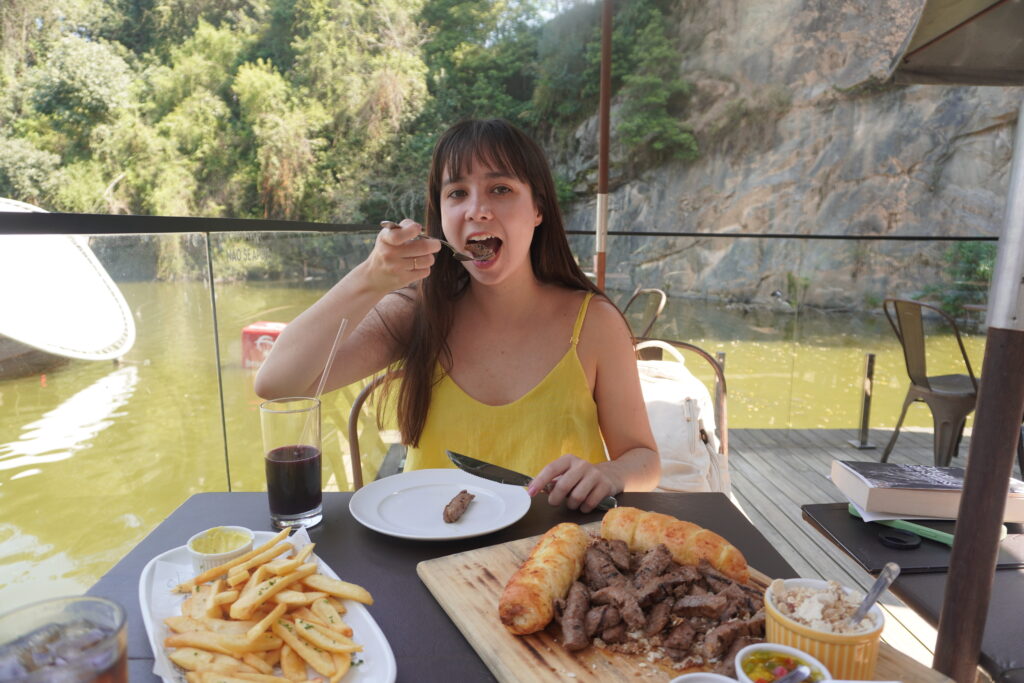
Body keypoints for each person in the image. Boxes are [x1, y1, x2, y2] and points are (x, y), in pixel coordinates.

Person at [255, 118, 659, 512]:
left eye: (500, 189)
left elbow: (643, 458)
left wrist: (609, 474)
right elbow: (277, 383)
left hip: (557, 552)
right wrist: (369, 279)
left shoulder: (595, 322)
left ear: (538, 208)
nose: (477, 210)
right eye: (457, 193)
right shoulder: (417, 313)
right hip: (429, 550)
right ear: (442, 217)